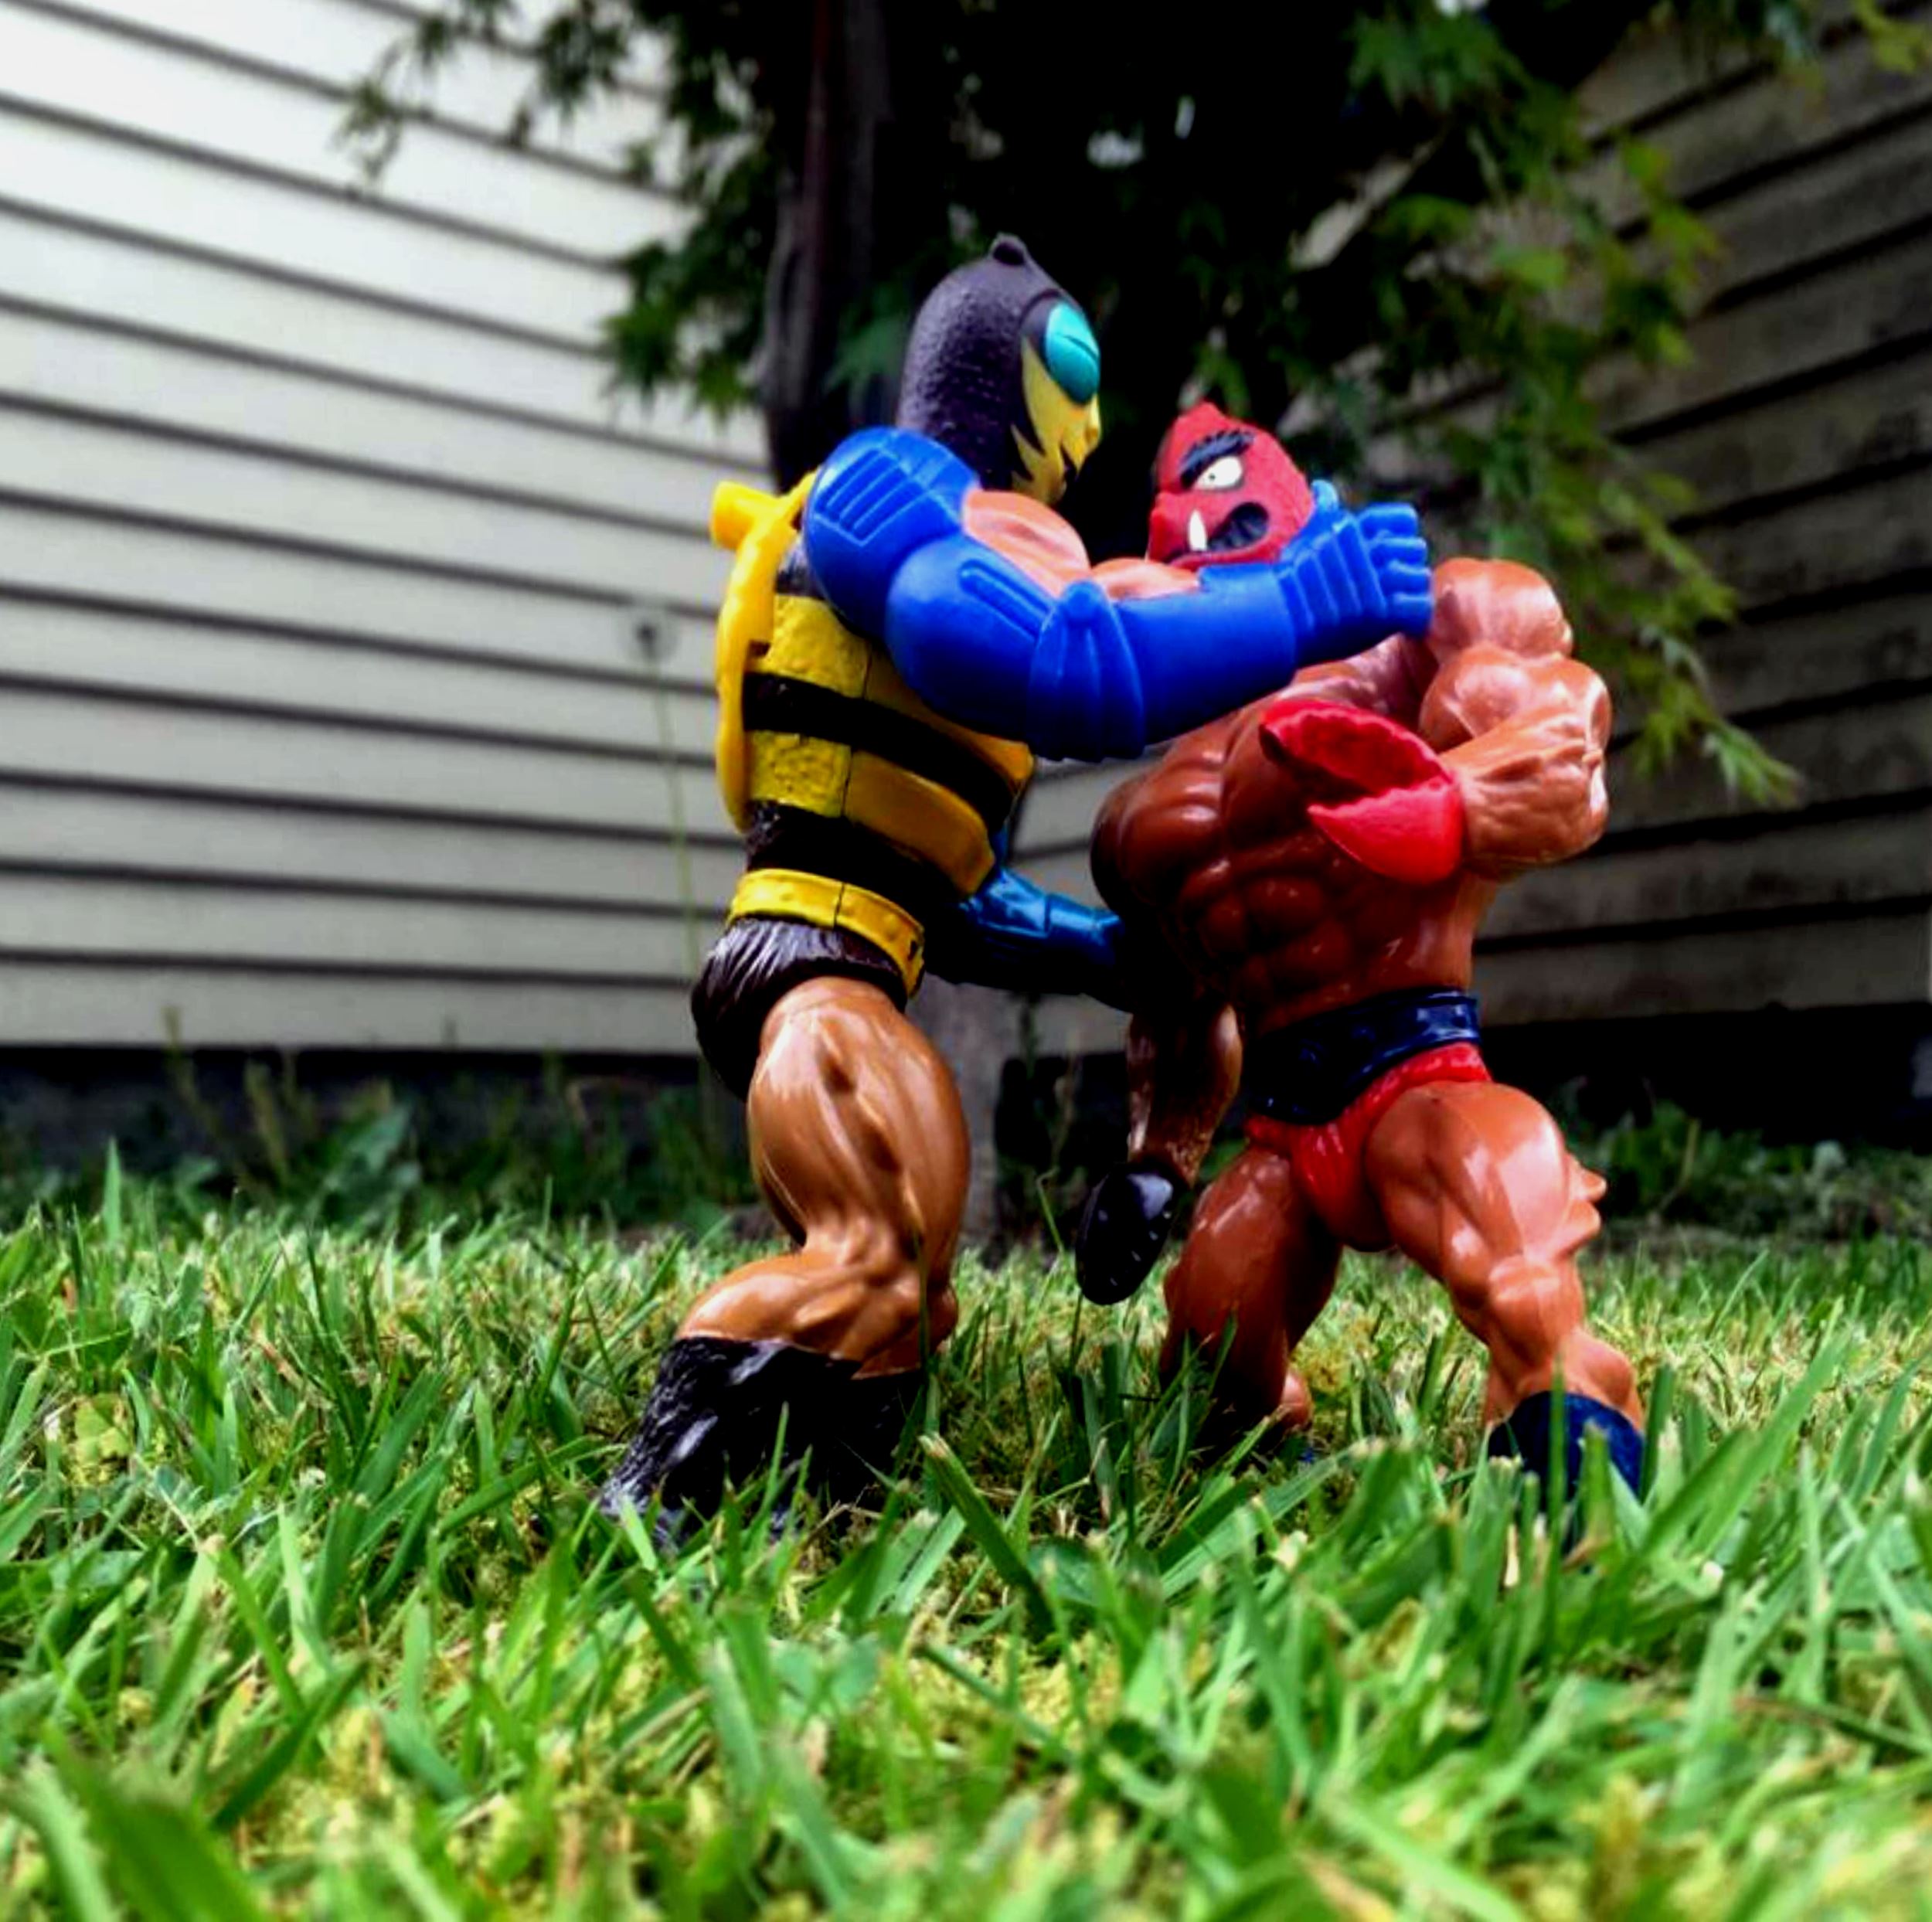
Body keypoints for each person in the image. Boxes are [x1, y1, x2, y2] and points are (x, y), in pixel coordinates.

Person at [600, 255, 1434, 1526]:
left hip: (857, 953)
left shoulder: (959, 558)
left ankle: (822, 1491)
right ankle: (658, 1497)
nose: (1088, 433)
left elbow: (954, 900)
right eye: (1075, 381)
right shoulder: (888, 493)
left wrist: (1112, 956)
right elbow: (1060, 662)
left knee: (916, 1285)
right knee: (872, 1261)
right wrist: (1295, 607)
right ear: (1014, 370)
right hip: (812, 969)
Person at [1077, 405, 1644, 1492]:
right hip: (1283, 1119)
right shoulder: (1145, 816)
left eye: (1226, 492)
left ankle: (1566, 1417)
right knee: (1214, 1345)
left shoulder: (1399, 638)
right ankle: (1267, 1451)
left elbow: (1558, 721)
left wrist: (1457, 799)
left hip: (1411, 1058)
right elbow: (1180, 1005)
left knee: (1509, 1248)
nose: (1201, 526)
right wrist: (1158, 1158)